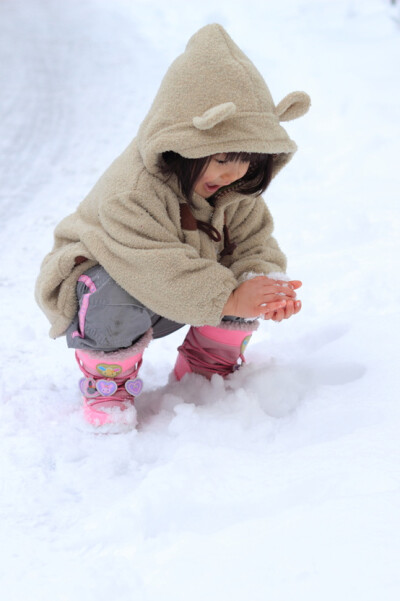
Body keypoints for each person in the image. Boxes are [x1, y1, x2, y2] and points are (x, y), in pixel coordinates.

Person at [35, 24, 310, 428]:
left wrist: (264, 283)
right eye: (221, 158)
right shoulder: (130, 191)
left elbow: (255, 242)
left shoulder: (232, 190)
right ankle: (109, 383)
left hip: (186, 294)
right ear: (183, 143)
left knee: (241, 278)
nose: (234, 172)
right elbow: (150, 264)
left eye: (247, 160)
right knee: (109, 289)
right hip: (111, 291)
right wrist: (231, 300)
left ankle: (205, 369)